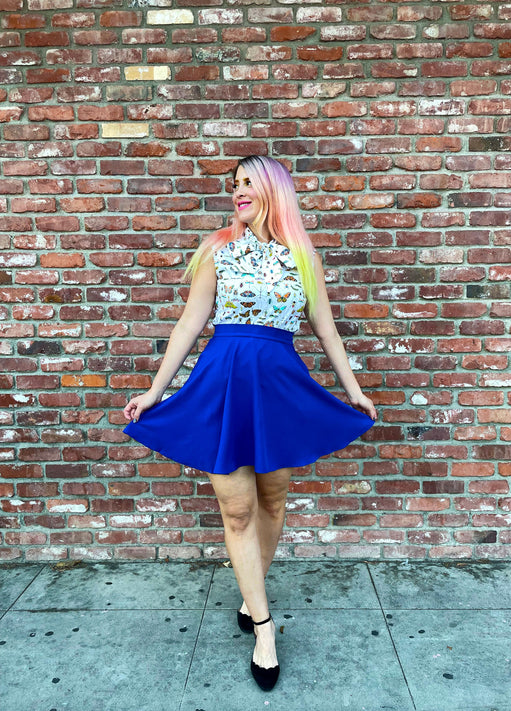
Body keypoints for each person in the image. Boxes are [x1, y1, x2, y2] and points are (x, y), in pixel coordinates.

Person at [123, 155, 377, 691]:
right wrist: (154, 390)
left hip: (278, 386)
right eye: (234, 185)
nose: (238, 192)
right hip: (223, 382)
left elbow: (327, 331)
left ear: (272, 191)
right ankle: (264, 628)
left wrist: (353, 391)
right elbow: (191, 322)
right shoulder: (218, 248)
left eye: (247, 184)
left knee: (274, 498)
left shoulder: (303, 257)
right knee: (237, 509)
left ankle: (250, 587)